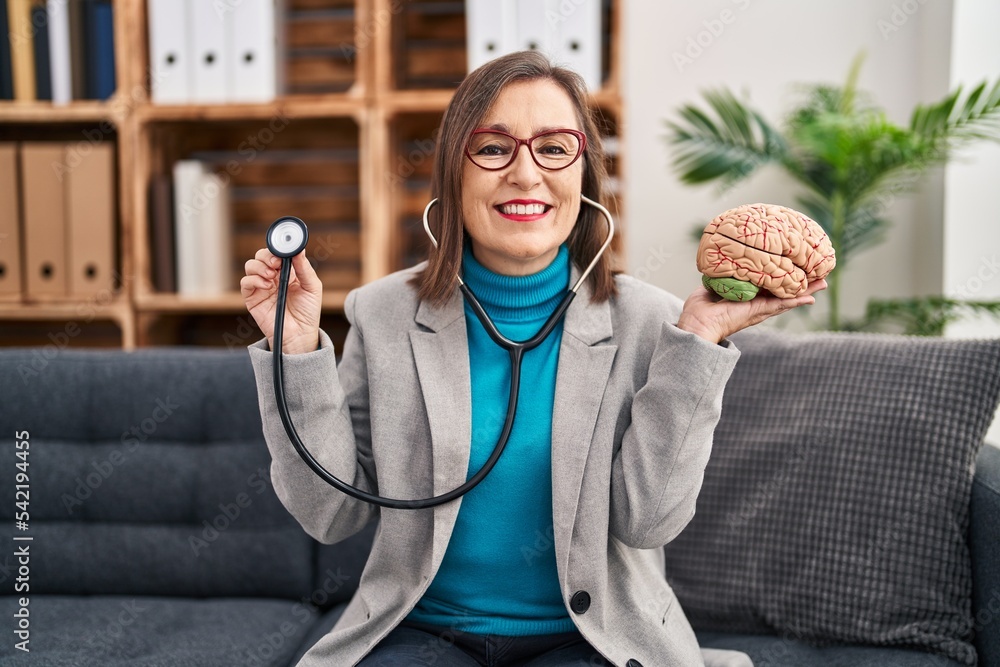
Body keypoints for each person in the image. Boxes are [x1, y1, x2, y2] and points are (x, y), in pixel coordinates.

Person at [241, 51, 825, 667]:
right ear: (453, 176)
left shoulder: (655, 322)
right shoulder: (381, 313)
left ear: (585, 175)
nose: (525, 174)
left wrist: (700, 342)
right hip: (423, 632)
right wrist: (295, 348)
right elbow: (333, 514)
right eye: (493, 148)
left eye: (554, 147)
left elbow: (647, 523)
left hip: (591, 635)